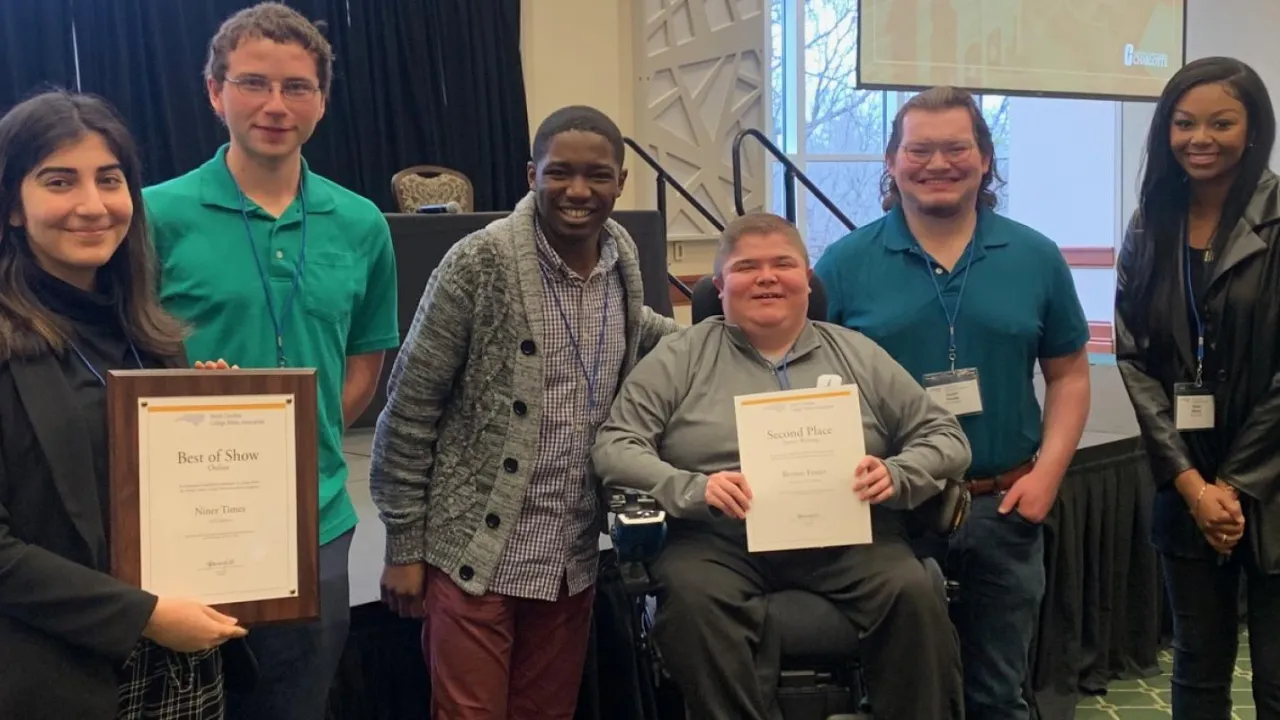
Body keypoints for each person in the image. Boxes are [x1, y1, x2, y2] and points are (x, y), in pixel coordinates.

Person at [592, 212, 969, 720]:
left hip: (849, 535)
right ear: (720, 287)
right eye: (747, 267)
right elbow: (615, 445)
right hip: (719, 540)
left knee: (914, 591)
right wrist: (690, 489)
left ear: (808, 283)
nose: (767, 277)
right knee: (691, 603)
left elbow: (947, 436)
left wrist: (898, 474)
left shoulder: (858, 354)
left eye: (783, 264)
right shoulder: (678, 357)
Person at [370, 105, 681, 720]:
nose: (577, 190)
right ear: (530, 173)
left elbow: (642, 332)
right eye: (560, 172)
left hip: (568, 556)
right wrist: (403, 545)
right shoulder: (477, 263)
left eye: (597, 175)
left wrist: (742, 331)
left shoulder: (622, 261)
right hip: (474, 552)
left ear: (621, 182)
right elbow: (408, 409)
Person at [144, 4, 400, 718]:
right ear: (214, 91)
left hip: (312, 518)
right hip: (182, 514)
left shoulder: (360, 224)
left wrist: (282, 445)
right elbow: (120, 359)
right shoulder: (153, 215)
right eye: (254, 83)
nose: (275, 105)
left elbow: (362, 366)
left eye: (298, 87)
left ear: (322, 99)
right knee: (179, 702)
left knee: (292, 703)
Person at [814, 86, 1092, 720]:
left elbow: (1071, 374)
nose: (937, 163)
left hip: (1005, 505)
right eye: (919, 149)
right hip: (890, 517)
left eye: (956, 147)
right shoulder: (844, 263)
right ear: (891, 162)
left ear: (985, 159)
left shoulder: (1035, 256)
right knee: (899, 693)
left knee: (999, 694)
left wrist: (1048, 476)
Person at [0, 91, 253, 719]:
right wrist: (142, 615)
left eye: (109, 180)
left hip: (181, 664)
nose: (92, 205)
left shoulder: (150, 337)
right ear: (12, 205)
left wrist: (212, 420)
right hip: (52, 676)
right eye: (59, 181)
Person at [1115, 56, 1280, 719]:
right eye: (1184, 123)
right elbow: (1132, 359)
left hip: (1271, 483)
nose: (1199, 138)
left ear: (1254, 128)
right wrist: (1192, 485)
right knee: (1197, 673)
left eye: (1221, 122)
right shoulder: (1150, 222)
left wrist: (1233, 488)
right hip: (1186, 485)